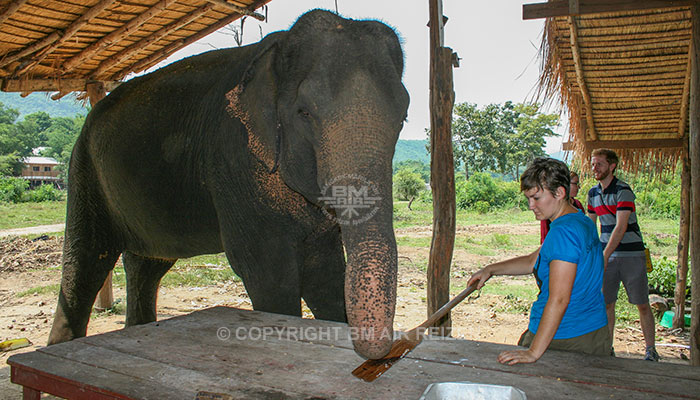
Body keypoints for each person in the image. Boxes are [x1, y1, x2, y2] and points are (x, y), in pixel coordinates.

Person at [469, 157, 610, 365]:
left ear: (560, 192)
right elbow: (532, 260)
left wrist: (533, 351)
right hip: (592, 330)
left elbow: (559, 299)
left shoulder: (563, 232)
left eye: (536, 197)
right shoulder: (580, 220)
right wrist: (490, 269)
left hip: (565, 337)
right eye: (528, 198)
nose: (530, 205)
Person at [587, 149, 658, 361]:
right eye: (593, 164)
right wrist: (590, 252)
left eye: (599, 164)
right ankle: (607, 348)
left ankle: (651, 350)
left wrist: (604, 255)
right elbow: (591, 225)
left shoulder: (623, 190)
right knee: (607, 303)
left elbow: (620, 227)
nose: (595, 168)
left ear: (612, 166)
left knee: (642, 303)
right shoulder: (592, 193)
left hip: (630, 254)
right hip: (606, 254)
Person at [540, 171, 584, 243]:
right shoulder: (549, 207)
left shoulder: (578, 205)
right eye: (575, 183)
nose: (578, 187)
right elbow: (545, 236)